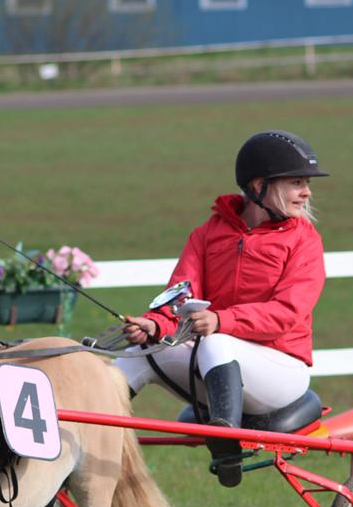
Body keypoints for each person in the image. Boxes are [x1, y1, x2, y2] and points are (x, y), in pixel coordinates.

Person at [119, 130, 328, 487]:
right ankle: (83, 435)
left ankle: (225, 447)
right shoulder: (206, 234)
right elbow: (180, 297)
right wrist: (154, 325)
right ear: (259, 186)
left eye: (305, 183)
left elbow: (286, 314)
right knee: (140, 351)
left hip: (281, 373)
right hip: (219, 364)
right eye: (297, 183)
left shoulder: (304, 241)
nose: (307, 192)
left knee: (217, 340)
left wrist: (220, 320)